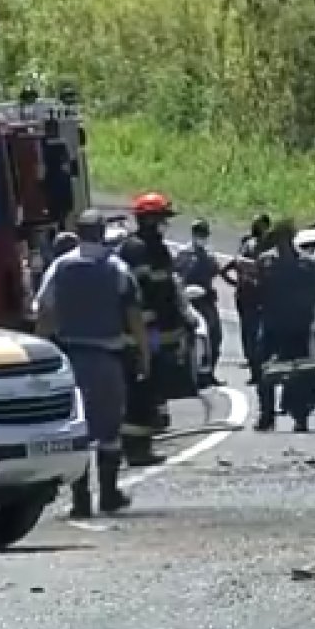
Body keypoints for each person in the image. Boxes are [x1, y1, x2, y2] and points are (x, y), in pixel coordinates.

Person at [33, 209, 148, 518]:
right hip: (106, 358)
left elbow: (45, 312)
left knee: (78, 429)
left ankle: (81, 498)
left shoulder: (60, 267)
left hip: (70, 358)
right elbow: (134, 316)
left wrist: (40, 354)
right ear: (101, 233)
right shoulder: (117, 268)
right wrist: (144, 354)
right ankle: (109, 494)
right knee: (109, 428)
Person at [115, 192, 192, 466]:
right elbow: (137, 297)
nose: (164, 225)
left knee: (151, 389)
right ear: (148, 220)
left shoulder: (156, 248)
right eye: (161, 220)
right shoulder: (135, 249)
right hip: (140, 336)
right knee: (140, 390)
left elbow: (166, 292)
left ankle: (142, 445)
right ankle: (135, 450)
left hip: (155, 334)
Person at [253, 218, 315, 432]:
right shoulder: (266, 262)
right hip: (272, 324)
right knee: (263, 369)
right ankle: (267, 415)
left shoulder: (308, 264)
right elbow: (258, 290)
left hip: (297, 326)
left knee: (299, 373)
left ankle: (300, 415)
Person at [173, 218, 231, 385]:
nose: (201, 236)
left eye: (203, 233)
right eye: (199, 232)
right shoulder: (183, 253)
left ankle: (209, 374)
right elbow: (176, 273)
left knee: (215, 336)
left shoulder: (208, 255)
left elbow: (215, 270)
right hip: (187, 299)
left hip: (205, 299)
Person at [229, 214, 270, 375]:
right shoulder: (248, 243)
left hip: (264, 294)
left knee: (261, 330)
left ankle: (260, 362)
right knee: (248, 330)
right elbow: (237, 261)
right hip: (247, 293)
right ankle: (252, 359)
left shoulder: (270, 246)